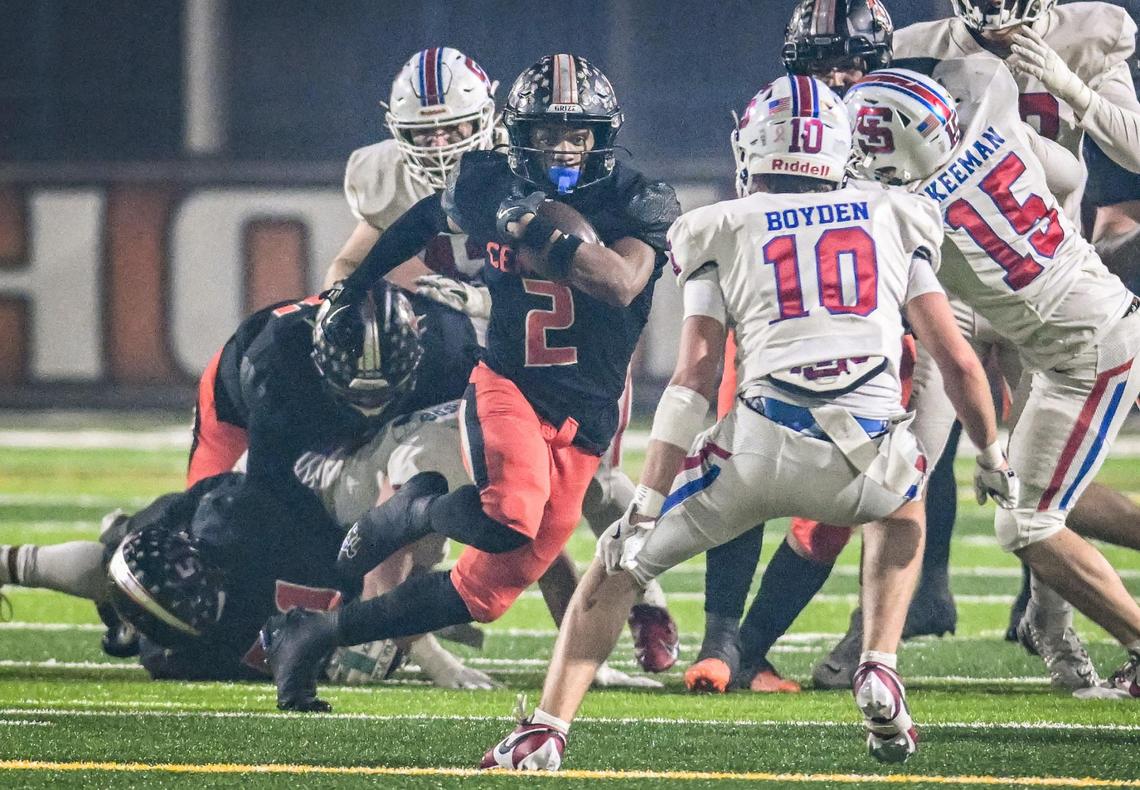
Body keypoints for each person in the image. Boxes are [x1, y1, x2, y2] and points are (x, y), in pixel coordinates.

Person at [485, 72, 1013, 770]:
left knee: (614, 567)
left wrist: (644, 501)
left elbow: (694, 377)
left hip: (759, 450)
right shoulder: (895, 213)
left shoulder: (718, 225)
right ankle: (880, 663)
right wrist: (992, 453)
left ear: (753, 148)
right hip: (869, 455)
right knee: (904, 509)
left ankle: (547, 730)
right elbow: (957, 361)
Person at [258, 54, 681, 713]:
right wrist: (357, 286)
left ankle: (313, 636)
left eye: (576, 133)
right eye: (544, 133)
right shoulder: (488, 181)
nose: (562, 146)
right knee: (511, 513)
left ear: (603, 133)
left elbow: (620, 283)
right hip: (509, 387)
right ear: (519, 135)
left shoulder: (637, 197)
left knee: (482, 594)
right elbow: (423, 219)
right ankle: (419, 511)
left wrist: (534, 226)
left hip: (586, 418)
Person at [814, 0, 1140, 690]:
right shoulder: (995, 114)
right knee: (1038, 498)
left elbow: (956, 356)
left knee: (1027, 519)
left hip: (1081, 341)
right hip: (1067, 311)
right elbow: (1068, 176)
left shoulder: (902, 214)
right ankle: (1024, 632)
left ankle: (1094, 634)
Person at [686, 0, 909, 696]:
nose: (838, 75)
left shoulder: (899, 118)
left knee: (833, 510)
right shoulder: (777, 112)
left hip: (864, 328)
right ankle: (719, 645)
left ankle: (752, 649)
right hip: (775, 319)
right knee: (734, 462)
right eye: (821, 61)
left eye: (852, 60)